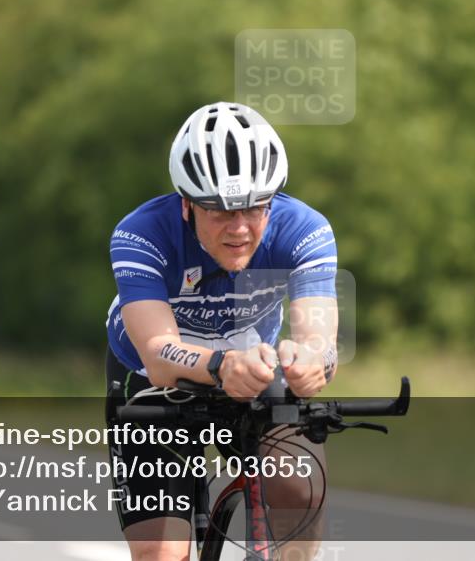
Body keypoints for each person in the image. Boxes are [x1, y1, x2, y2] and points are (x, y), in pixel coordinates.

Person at [105, 101, 339, 561]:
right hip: (155, 382)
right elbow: (158, 352)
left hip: (253, 371)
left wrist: (313, 363)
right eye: (219, 212)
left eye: (255, 209)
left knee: (299, 489)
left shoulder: (304, 230)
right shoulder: (143, 233)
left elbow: (318, 338)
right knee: (161, 551)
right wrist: (218, 364)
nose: (240, 229)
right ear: (187, 204)